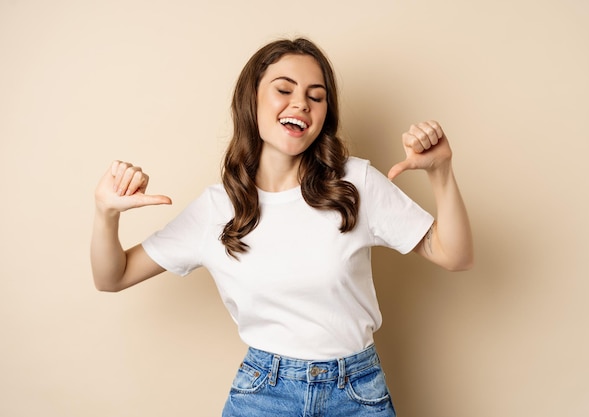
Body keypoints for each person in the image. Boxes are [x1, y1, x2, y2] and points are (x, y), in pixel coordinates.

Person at [90, 37, 473, 416]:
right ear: (251, 100)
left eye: (316, 96)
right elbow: (113, 276)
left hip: (357, 392)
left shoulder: (355, 183)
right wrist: (107, 214)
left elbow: (454, 255)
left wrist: (441, 173)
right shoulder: (216, 208)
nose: (301, 104)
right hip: (263, 395)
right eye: (284, 89)